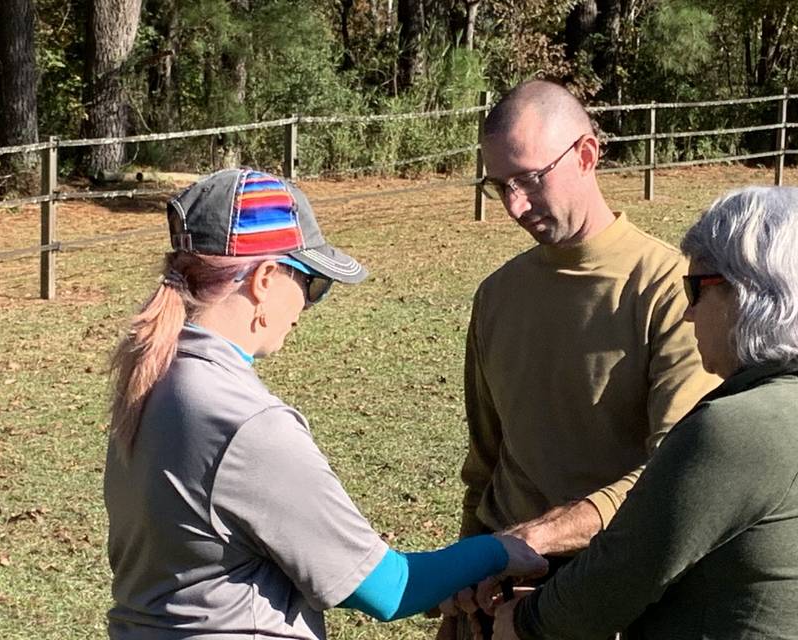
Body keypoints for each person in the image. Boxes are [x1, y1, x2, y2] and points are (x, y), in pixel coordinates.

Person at [103, 168, 547, 640]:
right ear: (266, 279)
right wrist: (503, 550)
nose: (306, 306)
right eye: (312, 284)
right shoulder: (244, 421)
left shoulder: (153, 379)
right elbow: (388, 588)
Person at [488, 185, 798, 639]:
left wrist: (526, 620)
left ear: (749, 293)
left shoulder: (743, 427)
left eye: (696, 288)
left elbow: (621, 574)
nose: (687, 314)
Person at [437, 80, 719, 637]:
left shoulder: (669, 290)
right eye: (500, 187)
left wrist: (532, 540)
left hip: (600, 596)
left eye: (528, 180)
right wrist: (462, 591)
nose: (514, 205)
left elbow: (672, 478)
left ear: (586, 155)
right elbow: (486, 463)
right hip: (492, 594)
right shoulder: (497, 295)